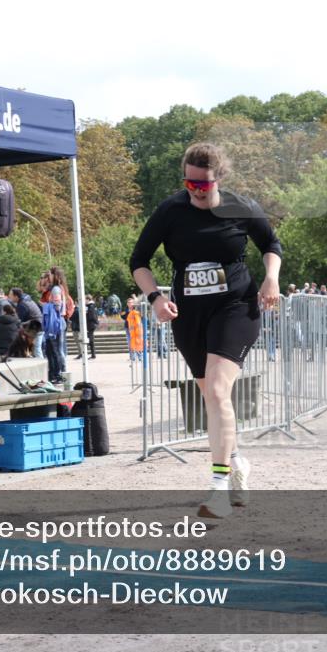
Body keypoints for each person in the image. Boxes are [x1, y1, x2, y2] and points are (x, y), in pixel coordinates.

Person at [130, 143, 281, 517]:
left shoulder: (241, 207)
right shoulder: (170, 210)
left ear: (220, 179)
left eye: (204, 185)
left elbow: (271, 245)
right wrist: (154, 298)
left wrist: (271, 279)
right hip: (189, 314)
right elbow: (139, 261)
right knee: (213, 398)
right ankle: (237, 463)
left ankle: (218, 488)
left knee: (216, 390)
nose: (196, 191)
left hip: (236, 307)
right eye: (190, 184)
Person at [9, 287, 44, 358]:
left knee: (36, 349)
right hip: (38, 325)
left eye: (10, 295)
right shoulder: (27, 300)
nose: (9, 297)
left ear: (16, 296)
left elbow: (21, 320)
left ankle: (43, 366)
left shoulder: (22, 305)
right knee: (35, 349)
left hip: (35, 327)